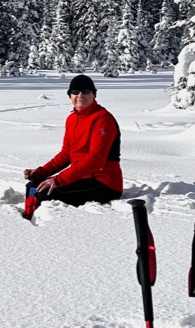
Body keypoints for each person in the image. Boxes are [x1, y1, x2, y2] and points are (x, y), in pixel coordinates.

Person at [21, 74, 123, 221]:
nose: (80, 95)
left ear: (94, 94)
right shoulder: (72, 119)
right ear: (70, 96)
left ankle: (35, 225)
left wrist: (58, 180)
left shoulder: (103, 119)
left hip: (104, 183)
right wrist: (41, 172)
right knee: (33, 186)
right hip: (80, 177)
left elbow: (96, 159)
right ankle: (28, 217)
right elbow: (66, 154)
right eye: (75, 92)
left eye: (86, 91)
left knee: (44, 193)